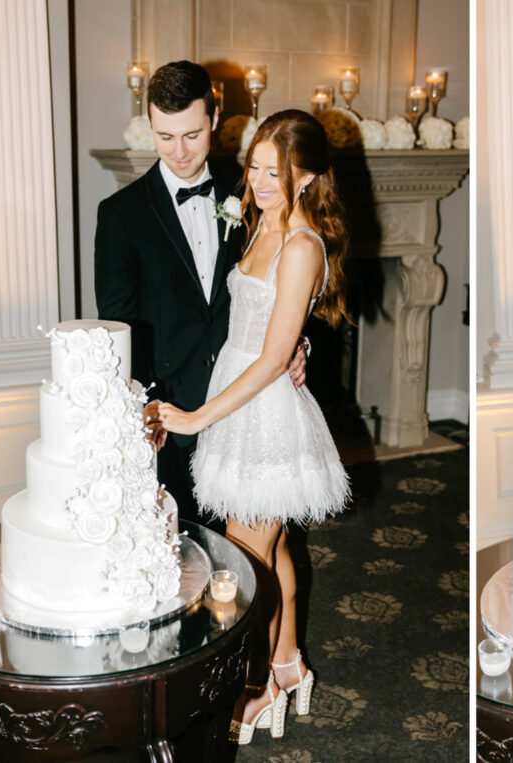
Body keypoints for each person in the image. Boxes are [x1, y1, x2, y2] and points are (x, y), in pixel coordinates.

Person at [157, 109, 351, 744]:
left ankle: (256, 686)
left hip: (264, 415)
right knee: (271, 550)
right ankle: (288, 665)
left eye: (276, 173)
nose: (260, 183)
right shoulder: (257, 219)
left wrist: (194, 418)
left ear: (308, 177)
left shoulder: (302, 245)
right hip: (236, 400)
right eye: (256, 168)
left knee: (242, 561)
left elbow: (274, 355)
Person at [94, 60, 306, 530]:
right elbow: (120, 324)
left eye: (191, 134)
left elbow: (289, 285)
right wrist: (149, 406)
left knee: (253, 552)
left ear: (214, 119)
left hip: (248, 402)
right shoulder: (120, 214)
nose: (180, 152)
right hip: (174, 415)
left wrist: (300, 346)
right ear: (149, 125)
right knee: (186, 554)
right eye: (164, 137)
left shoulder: (254, 192)